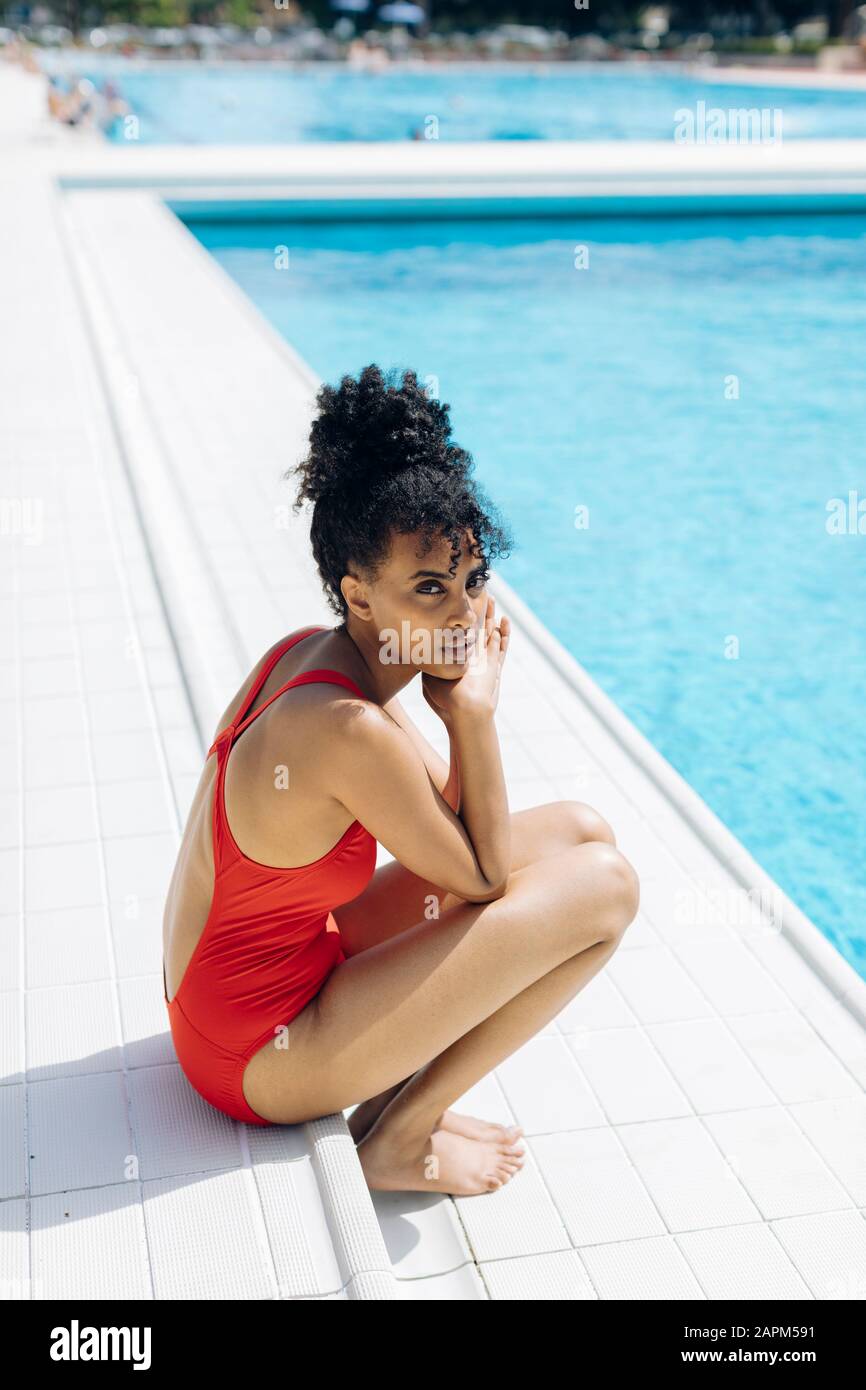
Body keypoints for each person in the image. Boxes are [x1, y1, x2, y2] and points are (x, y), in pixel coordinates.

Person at [162, 365, 639, 1196]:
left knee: (581, 831)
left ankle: (388, 1085)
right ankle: (399, 1139)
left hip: (248, 985)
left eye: (472, 581)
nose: (461, 616)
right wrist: (474, 714)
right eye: (428, 588)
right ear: (359, 594)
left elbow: (453, 837)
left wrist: (458, 712)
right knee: (604, 891)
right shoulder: (345, 730)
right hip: (248, 1052)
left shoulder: (316, 656)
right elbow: (482, 875)